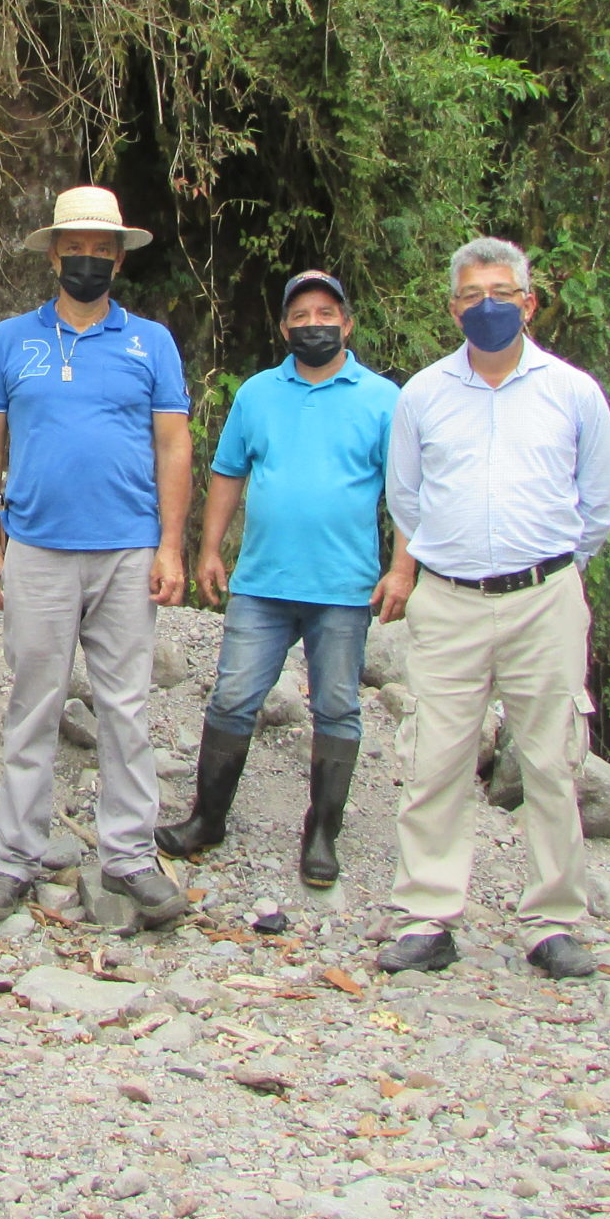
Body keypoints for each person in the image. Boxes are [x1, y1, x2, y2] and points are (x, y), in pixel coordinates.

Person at [376, 237, 610, 979]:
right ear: (454, 308)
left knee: (551, 761)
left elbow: (600, 499)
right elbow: (406, 499)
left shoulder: (573, 392)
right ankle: (427, 915)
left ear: (529, 301)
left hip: (544, 599)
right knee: (435, 758)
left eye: (501, 292)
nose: (488, 306)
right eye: (472, 295)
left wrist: (551, 567)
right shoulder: (422, 394)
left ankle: (553, 921)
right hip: (448, 600)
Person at [0, 186, 195, 928]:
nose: (89, 259)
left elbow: (173, 444)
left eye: (103, 249)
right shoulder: (9, 341)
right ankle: (14, 858)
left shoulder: (151, 342)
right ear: (55, 252)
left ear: (118, 258)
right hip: (36, 549)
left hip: (128, 552)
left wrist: (170, 546)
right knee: (32, 705)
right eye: (77, 247)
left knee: (126, 708)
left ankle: (128, 856)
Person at [157, 271, 404, 888]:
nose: (313, 324)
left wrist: (402, 567)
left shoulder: (383, 399)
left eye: (326, 313)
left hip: (344, 588)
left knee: (338, 707)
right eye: (300, 315)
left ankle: (321, 835)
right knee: (233, 697)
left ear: (347, 324)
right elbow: (229, 473)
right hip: (262, 583)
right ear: (284, 327)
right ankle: (207, 819)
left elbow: (408, 492)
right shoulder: (259, 394)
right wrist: (210, 550)